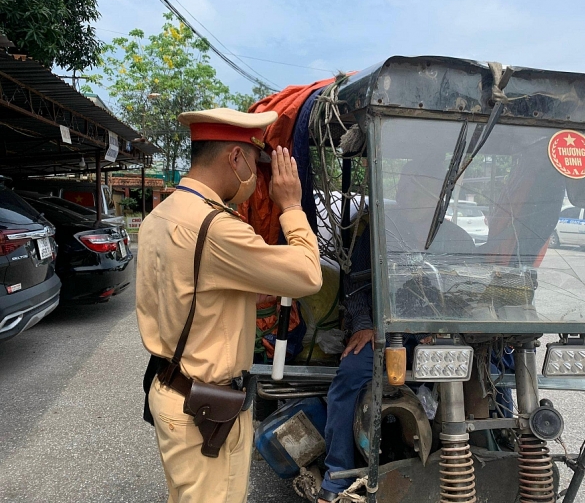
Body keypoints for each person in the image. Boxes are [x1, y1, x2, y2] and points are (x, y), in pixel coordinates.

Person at [137, 108, 323, 503]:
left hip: (172, 388)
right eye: (255, 165)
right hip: (205, 409)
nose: (257, 179)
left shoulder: (162, 214)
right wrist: (291, 206)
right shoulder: (216, 228)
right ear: (235, 159)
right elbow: (309, 274)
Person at [317, 161, 476, 502]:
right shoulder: (376, 233)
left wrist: (449, 326)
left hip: (437, 335)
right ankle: (336, 475)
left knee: (490, 374)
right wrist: (363, 326)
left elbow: (469, 290)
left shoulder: (457, 238)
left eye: (416, 183)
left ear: (437, 193)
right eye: (403, 184)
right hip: (384, 333)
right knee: (350, 374)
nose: (405, 191)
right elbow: (355, 289)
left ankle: (491, 450)